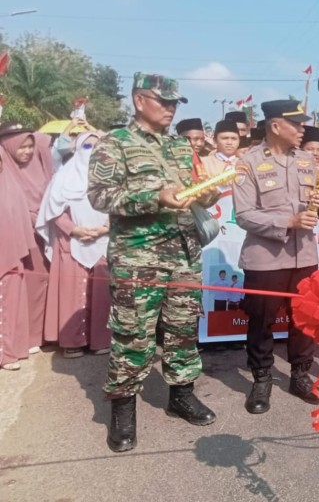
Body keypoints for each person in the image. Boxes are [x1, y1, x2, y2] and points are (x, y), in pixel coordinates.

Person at [88, 72, 218, 453]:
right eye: (165, 102)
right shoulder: (117, 143)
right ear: (140, 100)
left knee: (182, 330)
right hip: (137, 257)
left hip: (183, 253)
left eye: (176, 102)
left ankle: (181, 394)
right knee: (133, 336)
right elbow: (100, 196)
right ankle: (122, 410)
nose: (171, 109)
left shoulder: (181, 147)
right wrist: (155, 196)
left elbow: (192, 194)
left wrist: (205, 195)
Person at [233, 99, 319, 412]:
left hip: (305, 256)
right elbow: (244, 215)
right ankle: (261, 380)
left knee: (305, 320)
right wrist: (289, 221)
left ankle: (300, 375)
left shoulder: (307, 161)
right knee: (261, 321)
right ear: (275, 126)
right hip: (266, 258)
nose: (302, 129)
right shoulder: (248, 162)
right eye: (296, 124)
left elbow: (314, 207)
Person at [36, 132, 111, 358]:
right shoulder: (63, 178)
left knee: (101, 291)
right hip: (72, 242)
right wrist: (74, 229)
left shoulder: (111, 178)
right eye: (88, 146)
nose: (93, 151)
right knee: (72, 291)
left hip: (102, 241)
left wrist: (105, 228)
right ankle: (72, 341)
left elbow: (119, 207)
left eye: (98, 147)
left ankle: (100, 339)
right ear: (77, 149)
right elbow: (53, 211)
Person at [0, 123, 53, 355]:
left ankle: (40, 334)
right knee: (23, 288)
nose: (28, 152)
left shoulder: (37, 167)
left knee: (42, 284)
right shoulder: (5, 171)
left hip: (44, 234)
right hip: (17, 238)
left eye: (30, 146)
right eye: (22, 147)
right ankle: (23, 337)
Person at [0, 123, 34, 371]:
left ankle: (14, 348)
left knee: (12, 300)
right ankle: (5, 352)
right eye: (21, 145)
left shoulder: (11, 174)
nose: (28, 151)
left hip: (12, 250)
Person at [176, 117, 209, 182]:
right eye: (195, 139)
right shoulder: (172, 159)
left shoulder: (206, 160)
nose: (199, 144)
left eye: (202, 140)